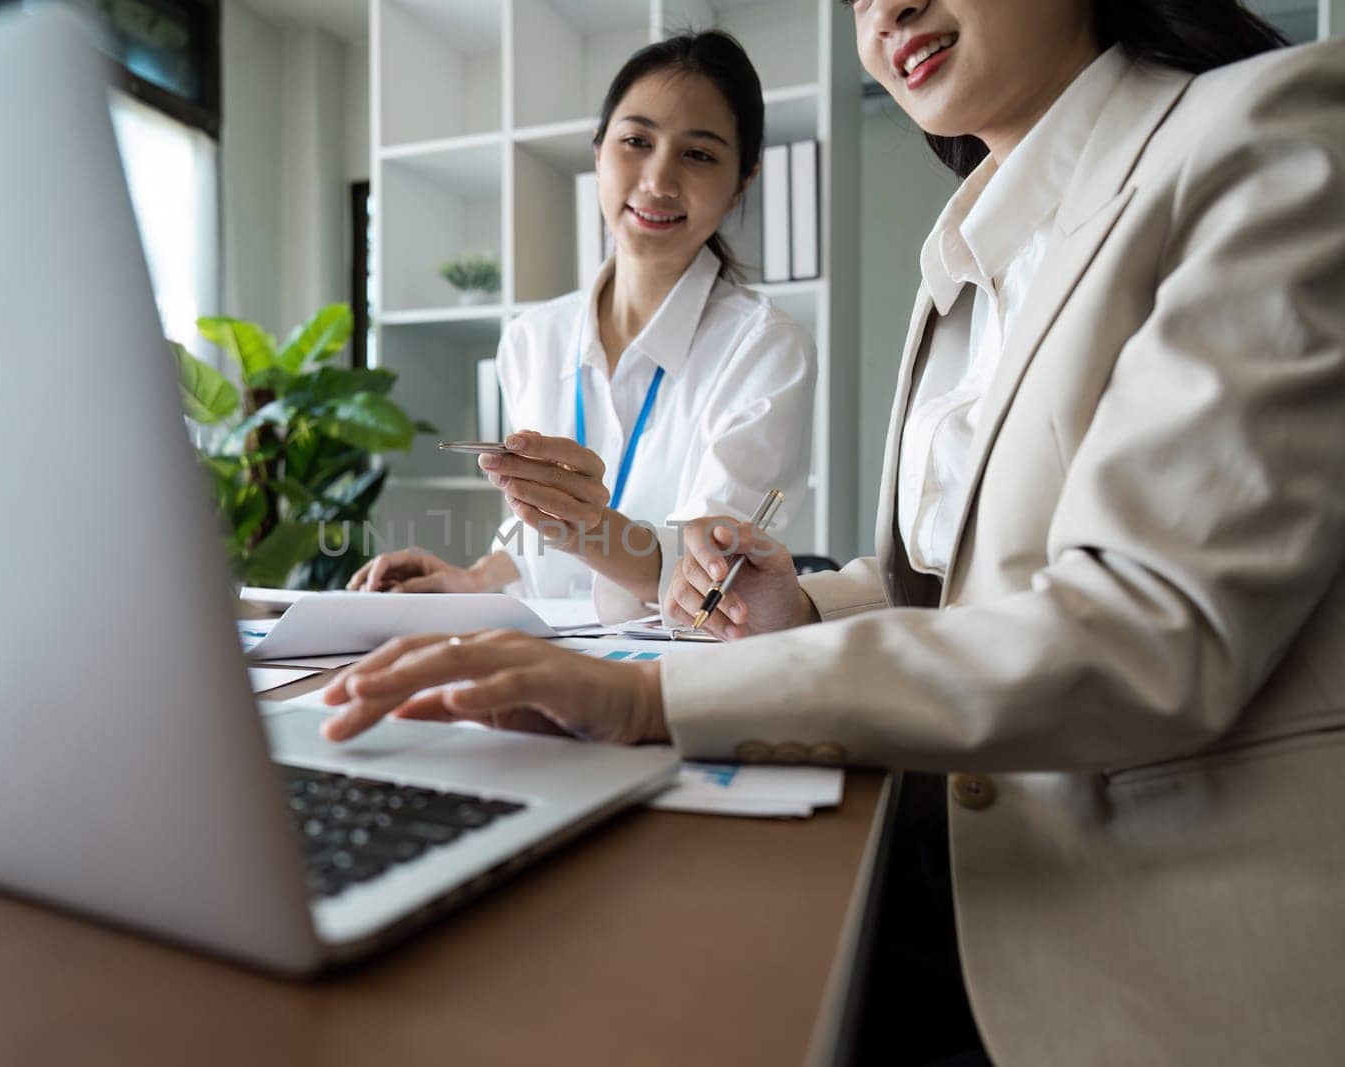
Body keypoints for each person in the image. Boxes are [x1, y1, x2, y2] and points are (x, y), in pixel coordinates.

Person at [318, 0, 1345, 1062]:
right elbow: (952, 586)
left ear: (741, 181)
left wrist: (646, 696)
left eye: (699, 152)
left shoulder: (1261, 130)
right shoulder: (964, 250)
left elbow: (1143, 627)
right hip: (938, 843)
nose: (888, 8)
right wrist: (805, 599)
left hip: (1134, 935)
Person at [347, 31, 814, 621]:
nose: (658, 181)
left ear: (743, 179)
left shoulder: (766, 348)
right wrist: (470, 579)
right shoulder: (531, 339)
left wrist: (583, 524)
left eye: (698, 154)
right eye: (636, 141)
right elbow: (535, 558)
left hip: (670, 670)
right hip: (539, 654)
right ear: (598, 151)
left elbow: (709, 575)